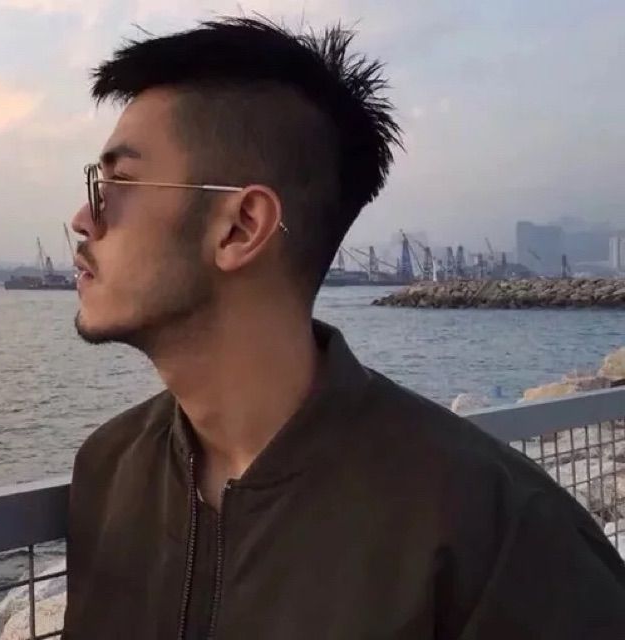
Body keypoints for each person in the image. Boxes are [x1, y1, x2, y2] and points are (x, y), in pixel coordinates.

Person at [63, 16, 625, 640]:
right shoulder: (110, 471)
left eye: (118, 182)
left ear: (241, 227)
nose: (83, 218)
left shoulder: (499, 535)